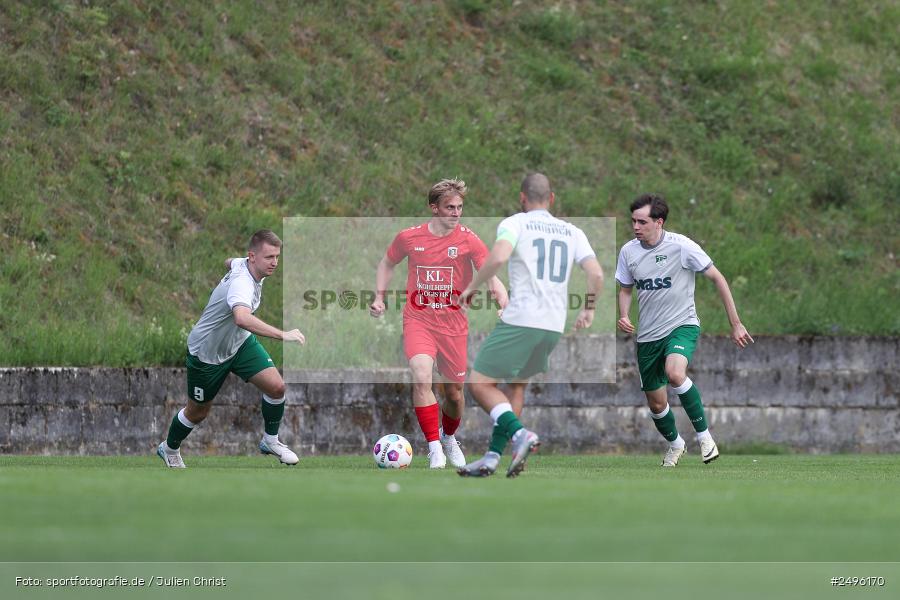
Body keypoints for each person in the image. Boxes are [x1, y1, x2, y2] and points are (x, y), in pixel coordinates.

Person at [457, 173, 603, 478]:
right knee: (516, 387)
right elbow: (596, 274)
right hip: (552, 327)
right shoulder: (571, 231)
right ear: (551, 199)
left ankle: (520, 434)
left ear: (522, 198)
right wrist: (588, 309)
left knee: (480, 384)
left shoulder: (516, 223)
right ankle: (492, 458)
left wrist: (471, 287)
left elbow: (498, 257)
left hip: (522, 320)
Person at [369, 179, 508, 469]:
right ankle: (434, 447)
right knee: (422, 376)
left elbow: (491, 273)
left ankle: (449, 437)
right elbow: (386, 263)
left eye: (459, 207)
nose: (456, 213)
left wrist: (502, 301)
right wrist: (379, 297)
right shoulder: (409, 237)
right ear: (434, 208)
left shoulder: (469, 240)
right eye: (449, 208)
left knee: (455, 395)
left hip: (454, 326)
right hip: (418, 319)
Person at [615, 193, 753, 467]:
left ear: (659, 222)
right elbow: (625, 288)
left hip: (682, 325)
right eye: (633, 221)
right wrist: (623, 314)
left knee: (675, 372)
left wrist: (735, 323)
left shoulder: (682, 247)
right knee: (656, 404)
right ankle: (676, 444)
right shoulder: (628, 251)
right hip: (648, 337)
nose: (636, 227)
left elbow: (718, 278)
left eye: (642, 222)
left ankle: (705, 438)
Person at [157, 229, 306, 468]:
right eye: (269, 257)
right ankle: (169, 447)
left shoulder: (245, 265)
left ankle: (270, 440)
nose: (275, 262)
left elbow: (230, 262)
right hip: (206, 354)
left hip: (239, 343)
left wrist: (232, 265)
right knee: (198, 412)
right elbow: (242, 318)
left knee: (277, 387)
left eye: (277, 256)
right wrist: (282, 334)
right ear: (253, 256)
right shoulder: (242, 283)